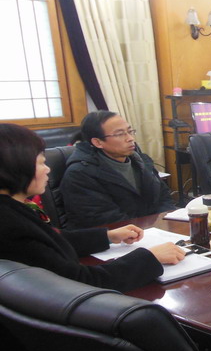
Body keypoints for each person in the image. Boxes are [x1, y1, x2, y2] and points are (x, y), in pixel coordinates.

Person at [0, 124, 185, 292]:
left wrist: (108, 236)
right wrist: (150, 257)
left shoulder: (14, 209)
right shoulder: (11, 226)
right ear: (16, 167)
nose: (47, 169)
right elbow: (83, 282)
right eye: (41, 162)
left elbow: (52, 239)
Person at [61, 112, 176, 229]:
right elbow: (104, 219)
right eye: (120, 134)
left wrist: (166, 221)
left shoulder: (141, 161)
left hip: (153, 230)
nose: (130, 138)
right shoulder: (80, 174)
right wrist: (149, 229)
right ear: (98, 142)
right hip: (118, 235)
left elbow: (164, 197)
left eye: (130, 131)